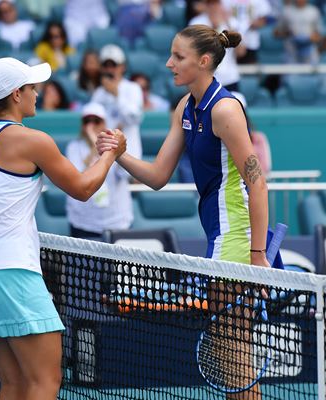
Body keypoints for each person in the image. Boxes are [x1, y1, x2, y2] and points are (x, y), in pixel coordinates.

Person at [0, 57, 125, 400]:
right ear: (17, 95)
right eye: (32, 88)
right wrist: (110, 154)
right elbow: (82, 189)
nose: (38, 93)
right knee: (45, 383)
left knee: (15, 383)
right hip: (15, 274)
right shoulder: (34, 141)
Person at [97, 25, 269, 400]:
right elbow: (158, 176)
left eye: (178, 57)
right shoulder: (185, 107)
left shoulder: (224, 110)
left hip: (236, 231)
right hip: (218, 231)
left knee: (233, 347)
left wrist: (257, 254)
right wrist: (118, 153)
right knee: (231, 347)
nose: (168, 63)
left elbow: (256, 182)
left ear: (204, 61)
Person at [66, 102, 133, 239]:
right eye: (87, 121)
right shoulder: (74, 147)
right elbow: (79, 177)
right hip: (83, 222)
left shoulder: (117, 145)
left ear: (104, 123)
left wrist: (112, 150)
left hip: (117, 221)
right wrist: (93, 144)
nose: (91, 125)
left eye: (96, 121)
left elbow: (124, 173)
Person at [92, 44, 144, 160]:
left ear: (122, 67)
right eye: (106, 65)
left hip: (129, 153)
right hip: (104, 155)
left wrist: (116, 95)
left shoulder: (133, 88)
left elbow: (134, 118)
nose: (109, 70)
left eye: (113, 65)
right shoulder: (98, 93)